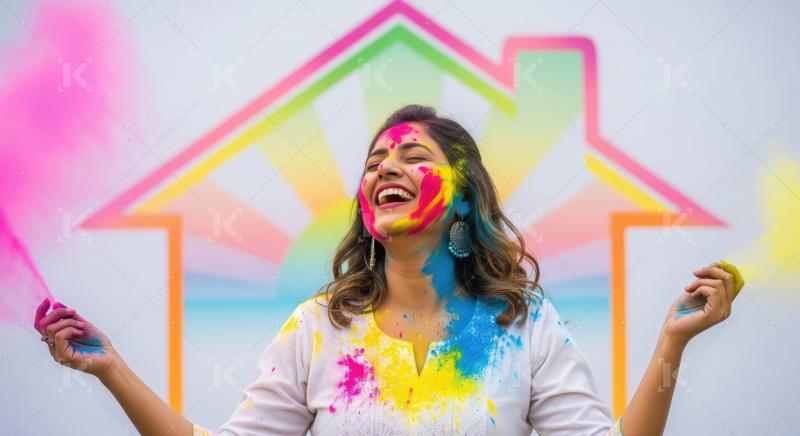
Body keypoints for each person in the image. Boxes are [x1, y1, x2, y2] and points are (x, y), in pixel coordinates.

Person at [34, 104, 740, 435]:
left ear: (462, 194)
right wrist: (112, 370)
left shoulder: (522, 326)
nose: (386, 169)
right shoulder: (319, 328)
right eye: (374, 162)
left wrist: (671, 346)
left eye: (413, 159)